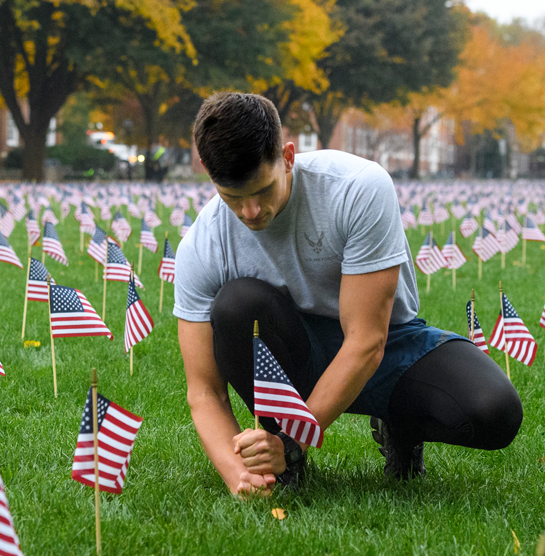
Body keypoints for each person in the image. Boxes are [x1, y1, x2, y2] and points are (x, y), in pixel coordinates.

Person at [175, 92, 522, 496]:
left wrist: (295, 442)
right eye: (233, 198)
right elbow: (204, 391)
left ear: (288, 156)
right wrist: (238, 473)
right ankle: (277, 457)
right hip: (293, 351)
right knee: (237, 306)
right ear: (209, 175)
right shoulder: (203, 243)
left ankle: (396, 426)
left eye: (263, 191)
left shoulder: (357, 187)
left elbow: (366, 342)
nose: (251, 212)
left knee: (495, 412)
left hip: (386, 345)